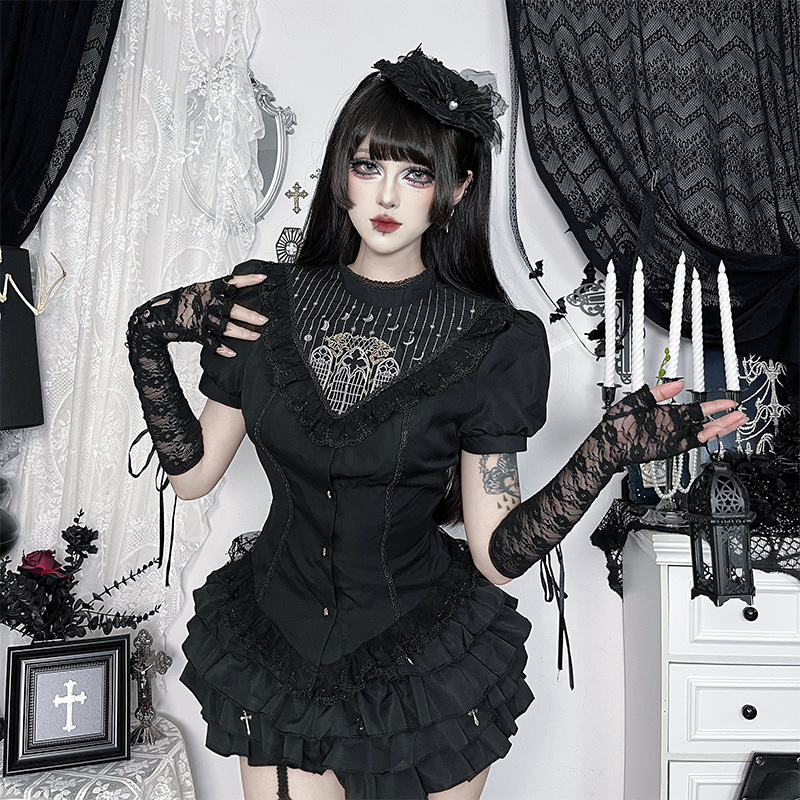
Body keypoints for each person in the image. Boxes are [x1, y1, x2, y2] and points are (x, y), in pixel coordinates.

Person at [126, 48, 746, 800]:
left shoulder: (493, 342)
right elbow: (194, 476)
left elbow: (496, 554)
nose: (387, 193)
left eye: (416, 173)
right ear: (340, 176)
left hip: (419, 664)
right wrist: (149, 333)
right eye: (368, 165)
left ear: (455, 190)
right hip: (277, 648)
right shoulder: (262, 303)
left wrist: (606, 448)